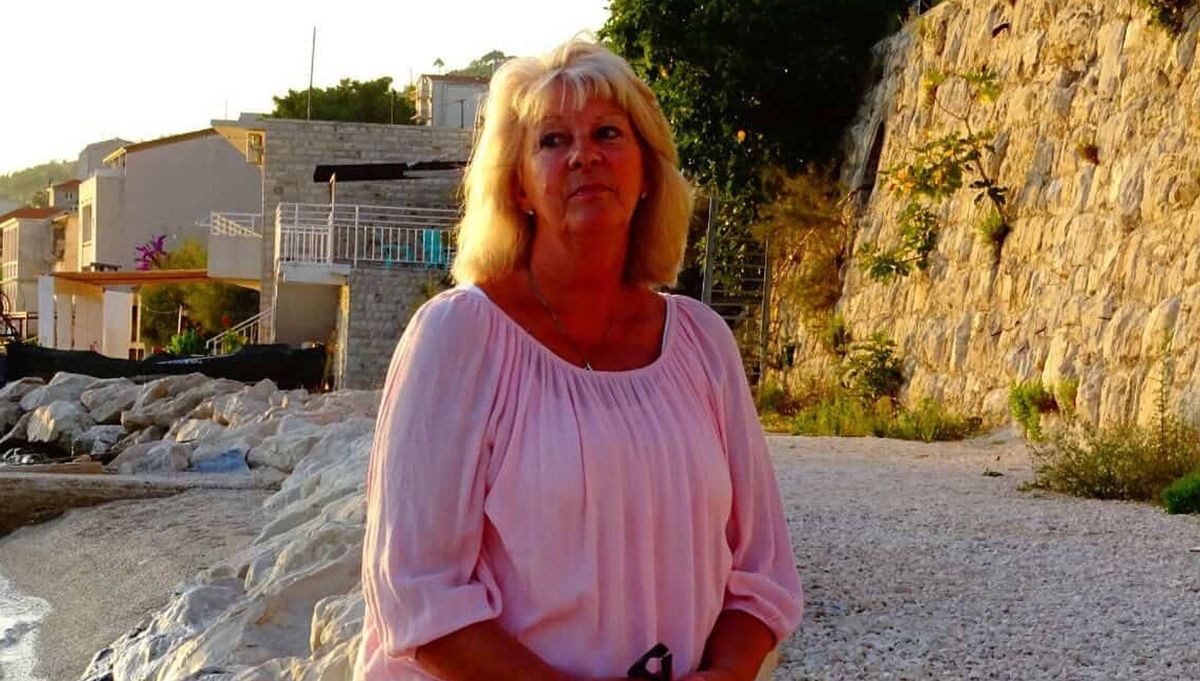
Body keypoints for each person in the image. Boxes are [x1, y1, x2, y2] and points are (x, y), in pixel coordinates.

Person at [356, 38, 803, 681]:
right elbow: (417, 594)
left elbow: (762, 570)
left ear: (647, 173)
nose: (584, 155)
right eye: (552, 141)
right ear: (518, 186)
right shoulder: (458, 337)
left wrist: (727, 673)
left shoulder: (702, 342)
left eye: (607, 133)